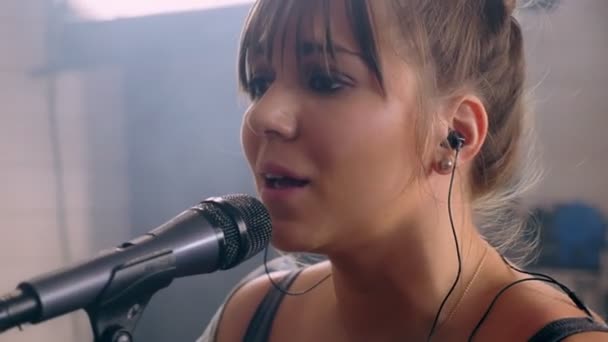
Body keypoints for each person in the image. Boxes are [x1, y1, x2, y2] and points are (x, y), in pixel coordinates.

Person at [199, 0, 608, 341]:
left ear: (455, 133)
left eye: (325, 80)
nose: (263, 115)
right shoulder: (249, 318)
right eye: (259, 83)